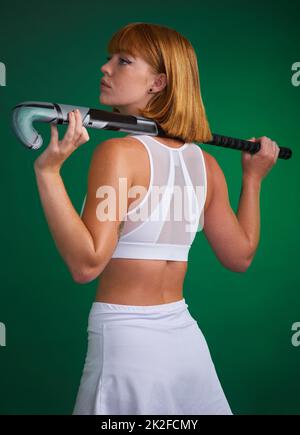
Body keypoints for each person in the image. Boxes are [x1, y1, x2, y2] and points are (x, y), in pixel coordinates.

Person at [33, 22, 280, 415]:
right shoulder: (207, 163)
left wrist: (48, 174)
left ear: (159, 82)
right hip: (186, 337)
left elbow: (86, 264)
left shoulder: (118, 153)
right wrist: (252, 180)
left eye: (123, 60)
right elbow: (242, 257)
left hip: (128, 339)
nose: (106, 68)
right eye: (109, 58)